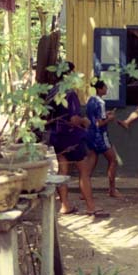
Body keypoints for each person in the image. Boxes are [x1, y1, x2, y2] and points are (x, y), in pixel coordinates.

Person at [46, 62, 107, 218]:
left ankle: (65, 205)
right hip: (71, 136)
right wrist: (84, 121)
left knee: (63, 169)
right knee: (84, 171)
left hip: (56, 135)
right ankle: (91, 207)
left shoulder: (52, 91)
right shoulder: (70, 93)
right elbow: (73, 119)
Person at [85, 80, 121, 198]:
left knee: (91, 161)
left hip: (90, 134)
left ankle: (84, 190)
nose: (107, 89)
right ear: (100, 89)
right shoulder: (101, 102)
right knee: (113, 160)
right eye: (105, 87)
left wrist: (106, 114)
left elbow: (94, 117)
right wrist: (109, 119)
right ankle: (112, 190)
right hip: (100, 135)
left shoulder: (90, 100)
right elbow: (99, 123)